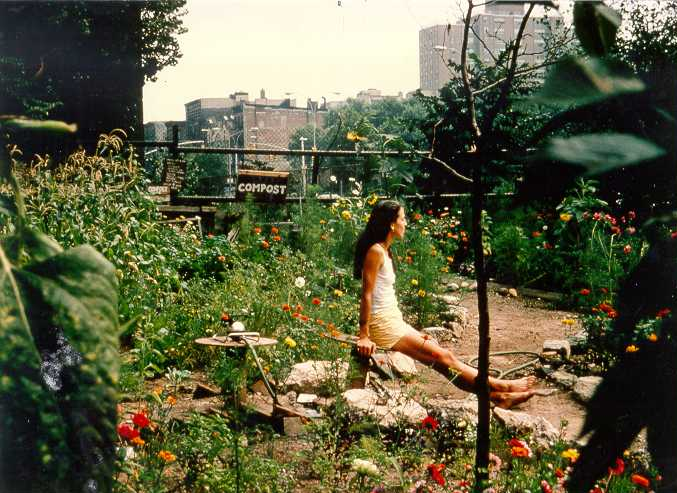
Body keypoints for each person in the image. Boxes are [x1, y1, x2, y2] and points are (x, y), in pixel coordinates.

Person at [354, 200, 536, 409]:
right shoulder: (375, 251)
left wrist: (412, 330)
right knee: (443, 357)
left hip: (391, 321)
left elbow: (384, 297)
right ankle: (503, 386)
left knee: (442, 359)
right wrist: (364, 335)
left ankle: (498, 397)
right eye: (403, 219)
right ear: (391, 224)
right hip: (382, 325)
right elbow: (366, 295)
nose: (406, 223)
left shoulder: (385, 250)